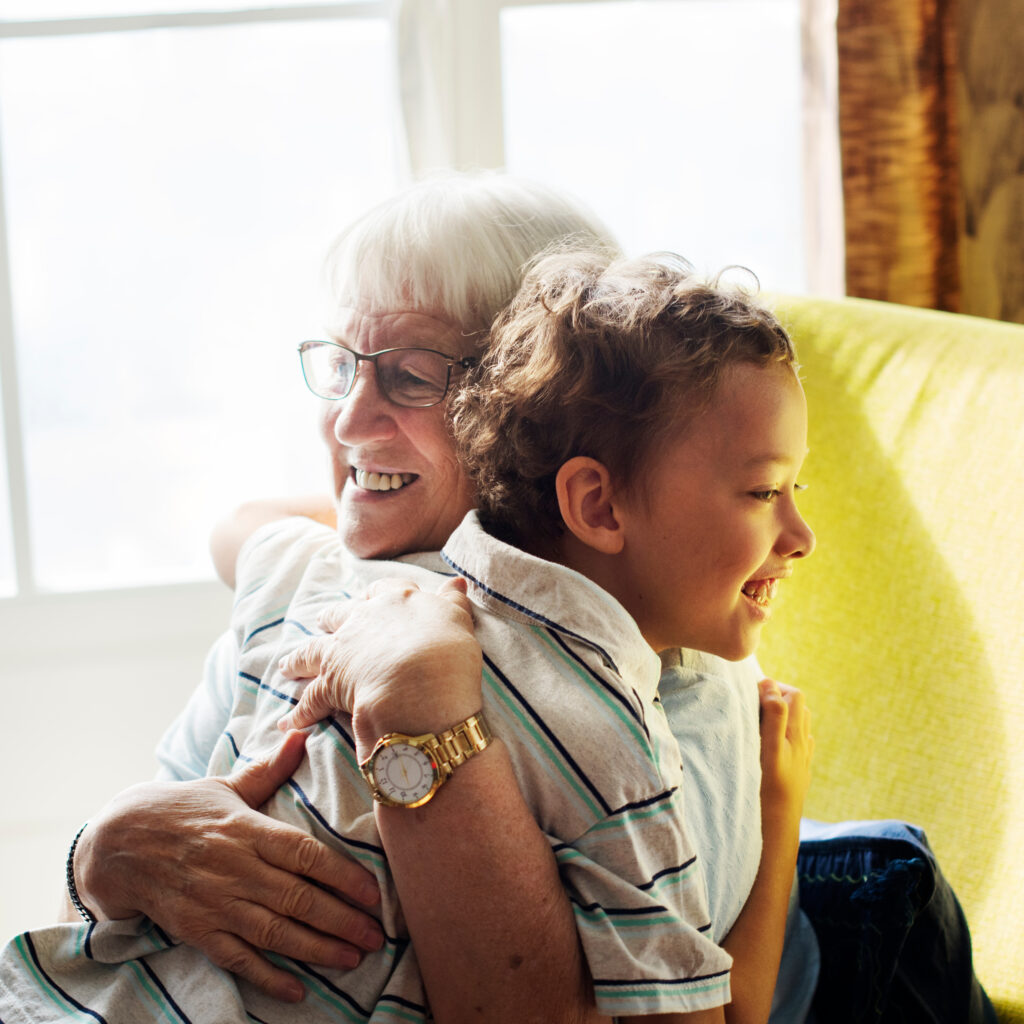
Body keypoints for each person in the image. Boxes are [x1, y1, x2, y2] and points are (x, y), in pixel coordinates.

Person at [0, 250, 813, 1022]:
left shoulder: (677, 698)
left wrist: (419, 712)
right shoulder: (596, 732)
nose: (349, 421)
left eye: (412, 376)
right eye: (343, 366)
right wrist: (98, 851)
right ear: (592, 503)